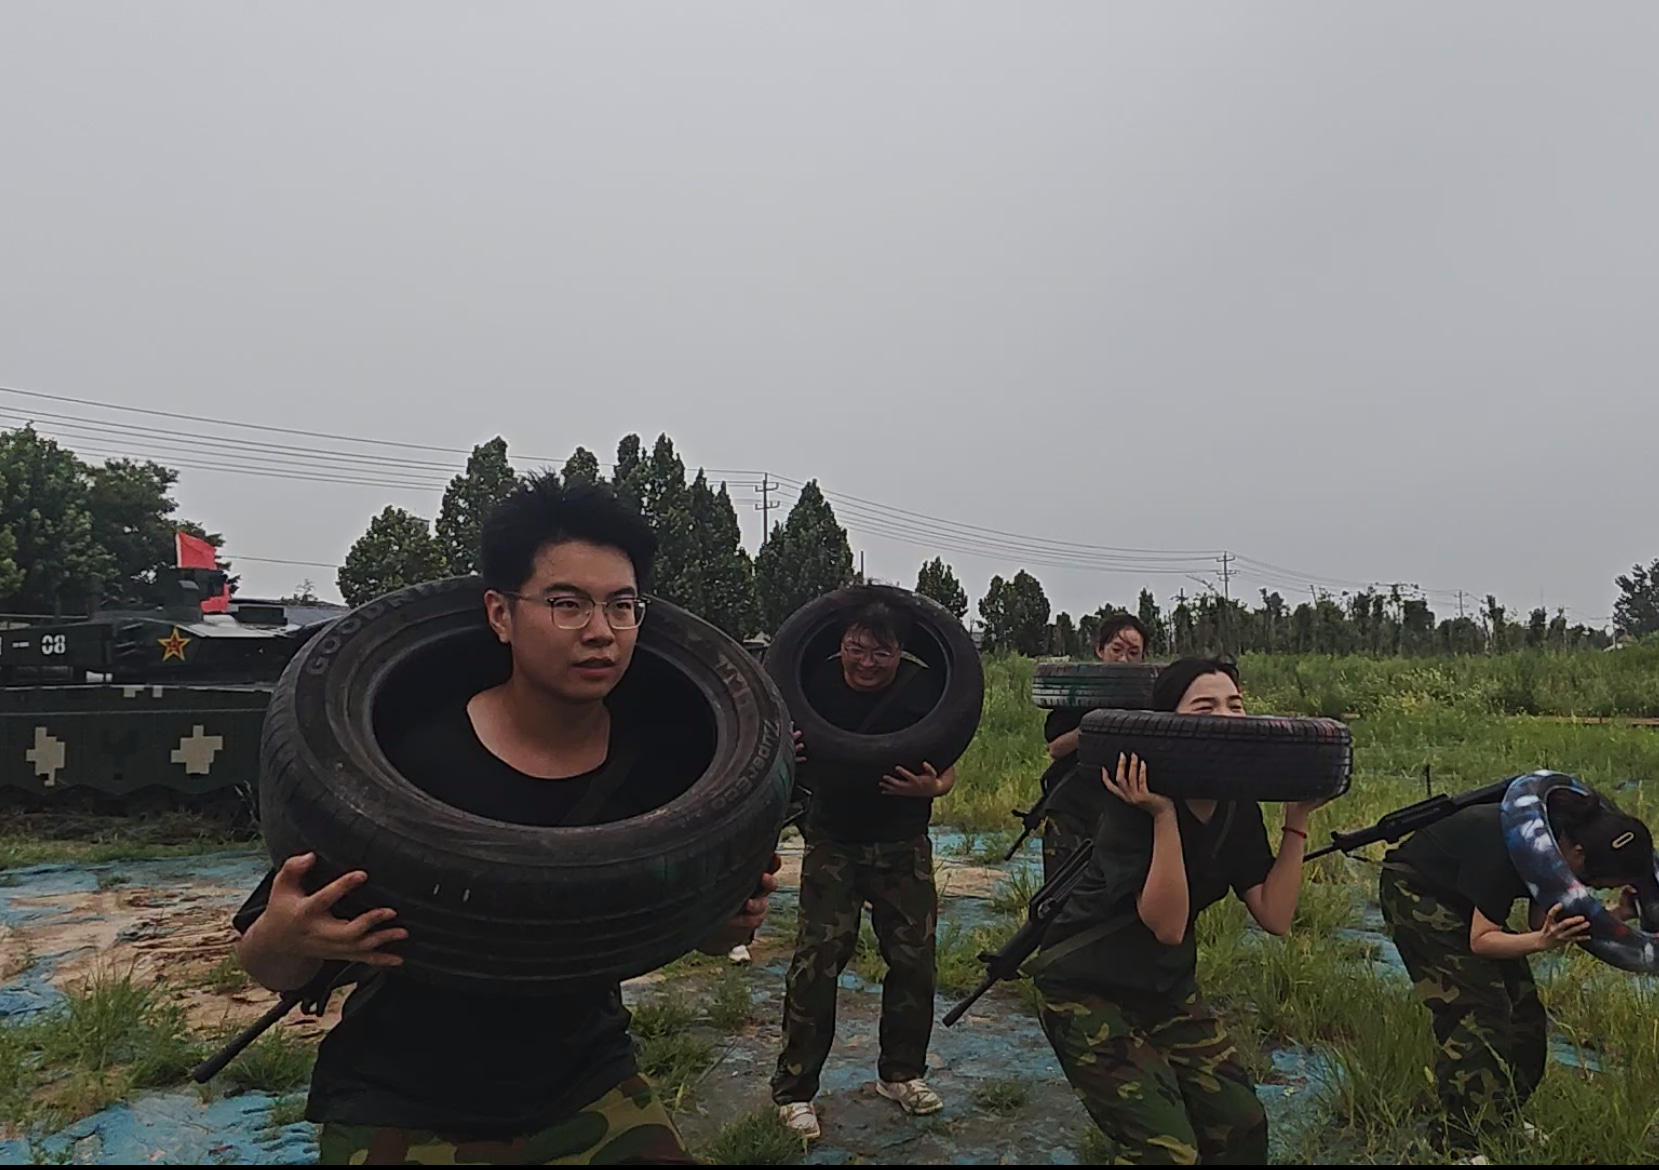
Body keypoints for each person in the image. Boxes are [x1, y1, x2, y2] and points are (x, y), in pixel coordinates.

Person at [231, 476, 779, 1166]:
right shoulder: (403, 763)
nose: (601, 633)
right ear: (499, 614)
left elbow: (696, 935)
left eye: (622, 606)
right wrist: (286, 938)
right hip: (402, 1098)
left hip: (587, 1079)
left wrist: (723, 922)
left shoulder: (666, 769)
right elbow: (273, 964)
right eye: (566, 604)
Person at [1029, 657, 1322, 1165]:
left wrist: (1297, 820)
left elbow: (1274, 916)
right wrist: (1163, 815)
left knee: (1243, 1126)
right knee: (1165, 1152)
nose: (1226, 718)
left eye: (1235, 705)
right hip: (1085, 989)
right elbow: (1167, 926)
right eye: (1205, 707)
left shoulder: (1236, 806)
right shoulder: (1130, 805)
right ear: (1168, 723)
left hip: (1164, 988)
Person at [1379, 783, 1657, 1155]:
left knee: (1525, 1013)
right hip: (1417, 890)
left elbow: (1542, 919)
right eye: (1594, 883)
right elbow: (1482, 940)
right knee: (1479, 1013)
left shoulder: (1554, 847)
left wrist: (1619, 914)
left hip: (1466, 899)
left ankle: (1500, 1117)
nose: (1590, 889)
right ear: (1577, 855)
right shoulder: (1504, 848)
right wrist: (1541, 943)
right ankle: (1458, 1143)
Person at [770, 591, 954, 1140]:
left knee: (914, 962)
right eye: (857, 648)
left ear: (901, 652)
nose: (867, 662)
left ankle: (901, 1073)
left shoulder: (924, 688)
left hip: (903, 841)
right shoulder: (813, 683)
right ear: (841, 643)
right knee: (817, 962)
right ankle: (795, 1092)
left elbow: (948, 758)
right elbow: (777, 741)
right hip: (835, 839)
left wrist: (935, 786)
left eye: (881, 652)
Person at [1037, 613, 1150, 878]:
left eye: (1133, 652)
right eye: (1116, 650)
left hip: (1129, 809)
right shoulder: (1078, 694)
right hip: (1074, 807)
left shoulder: (1151, 696)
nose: (1124, 659)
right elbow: (1056, 749)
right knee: (1061, 890)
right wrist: (1098, 724)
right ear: (1100, 650)